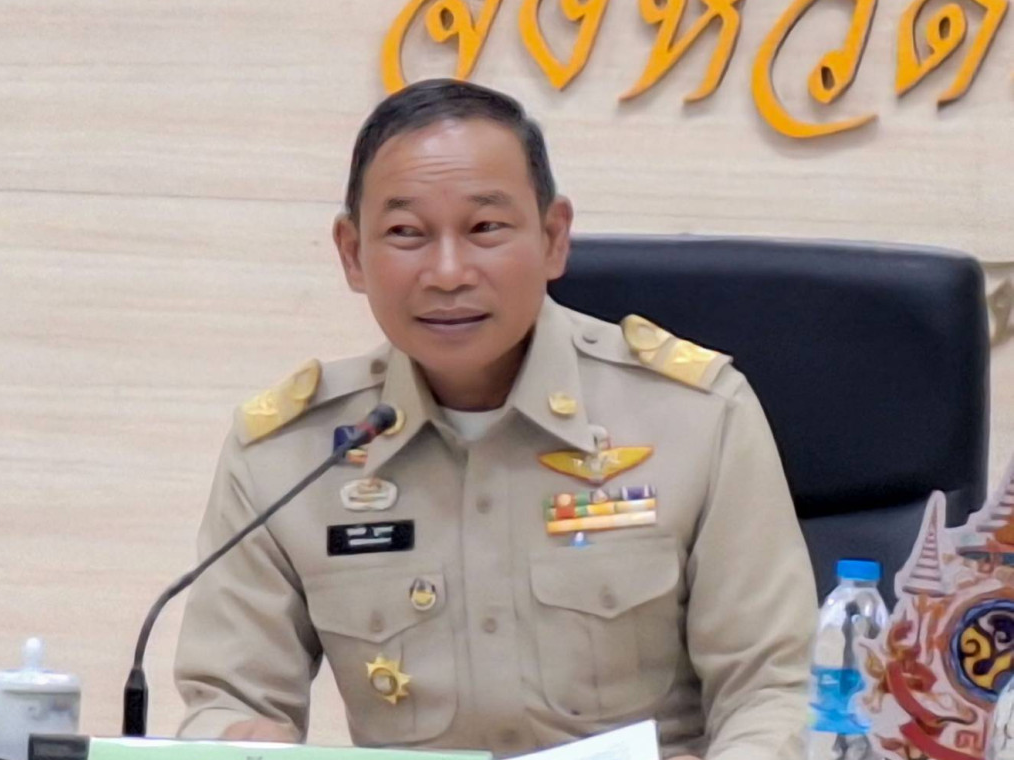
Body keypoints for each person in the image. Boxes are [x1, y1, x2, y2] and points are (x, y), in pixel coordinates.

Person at [174, 78, 816, 760]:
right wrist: (239, 740)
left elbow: (771, 689)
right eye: (406, 234)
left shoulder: (697, 419)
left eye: (484, 229)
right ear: (353, 254)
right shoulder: (289, 456)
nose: (448, 272)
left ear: (553, 237)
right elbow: (229, 701)